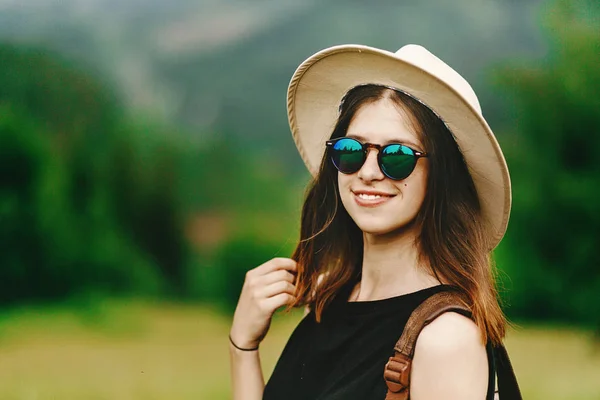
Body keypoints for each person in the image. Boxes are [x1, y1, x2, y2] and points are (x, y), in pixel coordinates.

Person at [229, 44, 513, 400]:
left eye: (397, 156)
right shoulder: (327, 306)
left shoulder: (444, 340)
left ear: (441, 176)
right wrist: (242, 346)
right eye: (351, 151)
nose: (367, 172)